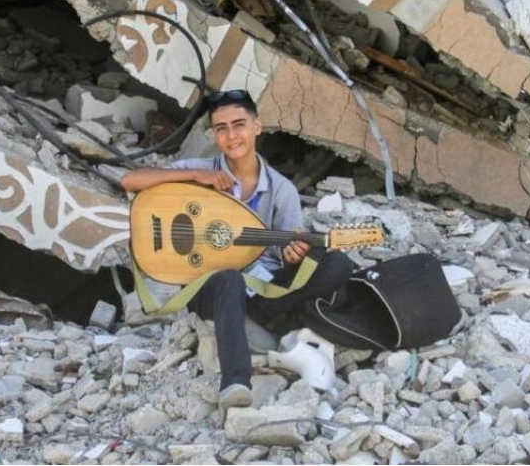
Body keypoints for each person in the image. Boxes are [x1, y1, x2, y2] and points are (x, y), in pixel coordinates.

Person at [120, 89, 355, 412]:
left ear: (257, 126)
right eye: (221, 128)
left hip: (261, 289)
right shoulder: (199, 172)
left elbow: (289, 245)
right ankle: (235, 382)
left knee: (338, 263)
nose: (232, 136)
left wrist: (294, 254)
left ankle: (269, 320)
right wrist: (194, 175)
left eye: (239, 124)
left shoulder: (281, 190)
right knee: (228, 277)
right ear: (214, 135)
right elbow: (131, 180)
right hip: (211, 288)